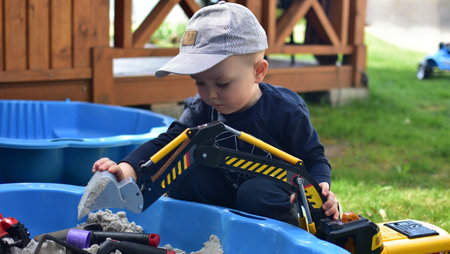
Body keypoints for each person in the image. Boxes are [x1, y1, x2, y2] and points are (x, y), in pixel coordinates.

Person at [92, 1, 340, 226]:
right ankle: (207, 229)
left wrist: (321, 190)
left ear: (258, 72)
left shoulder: (286, 110)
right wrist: (127, 169)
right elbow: (168, 145)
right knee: (183, 176)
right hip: (223, 194)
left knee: (255, 192)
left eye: (222, 84)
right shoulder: (201, 108)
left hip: (271, 201)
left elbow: (314, 158)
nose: (210, 94)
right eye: (200, 82)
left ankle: (283, 232)